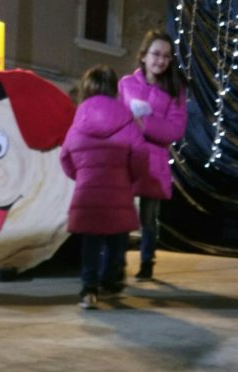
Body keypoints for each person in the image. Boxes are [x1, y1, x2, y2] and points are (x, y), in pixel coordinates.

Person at [60, 65, 147, 309]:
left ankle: (89, 289)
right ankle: (110, 281)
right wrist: (129, 177)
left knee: (91, 242)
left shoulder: (78, 122)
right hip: (119, 191)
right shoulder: (127, 120)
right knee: (116, 241)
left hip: (88, 193)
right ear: (113, 89)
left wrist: (82, 176)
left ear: (85, 90)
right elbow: (141, 156)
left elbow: (65, 158)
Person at [118, 30, 188, 280]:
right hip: (126, 157)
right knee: (120, 212)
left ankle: (147, 262)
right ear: (144, 55)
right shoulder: (126, 84)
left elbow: (176, 129)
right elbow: (115, 116)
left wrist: (145, 122)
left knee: (149, 217)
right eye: (156, 54)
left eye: (166, 56)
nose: (161, 60)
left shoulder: (174, 90)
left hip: (153, 161)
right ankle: (117, 261)